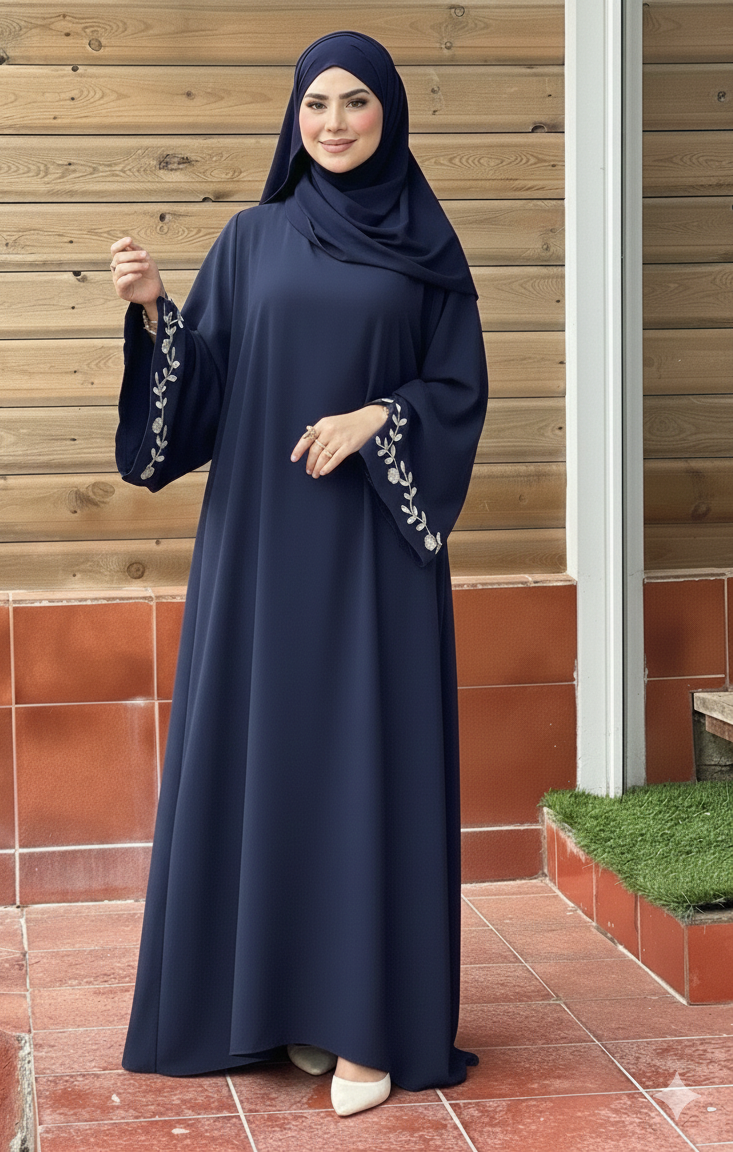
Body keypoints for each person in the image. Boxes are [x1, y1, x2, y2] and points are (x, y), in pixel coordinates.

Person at [109, 30, 487, 1118]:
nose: (333, 122)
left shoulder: (426, 248)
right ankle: (286, 1008)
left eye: (354, 102)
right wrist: (157, 313)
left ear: (388, 114)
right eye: (316, 103)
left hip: (371, 558)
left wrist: (381, 416)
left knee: (360, 766)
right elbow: (201, 401)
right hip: (262, 551)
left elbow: (457, 390)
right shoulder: (252, 237)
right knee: (269, 763)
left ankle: (367, 1027)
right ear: (293, 116)